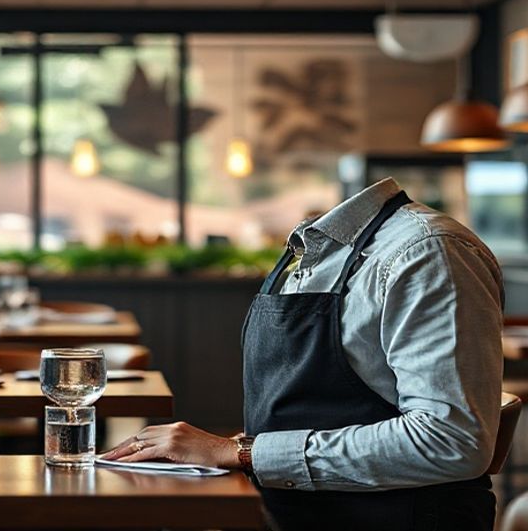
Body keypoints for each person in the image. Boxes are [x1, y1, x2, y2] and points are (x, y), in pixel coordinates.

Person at [104, 177, 504, 531]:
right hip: (295, 512)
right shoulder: (319, 252)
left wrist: (242, 452)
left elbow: (450, 439)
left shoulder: (427, 252)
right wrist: (223, 452)